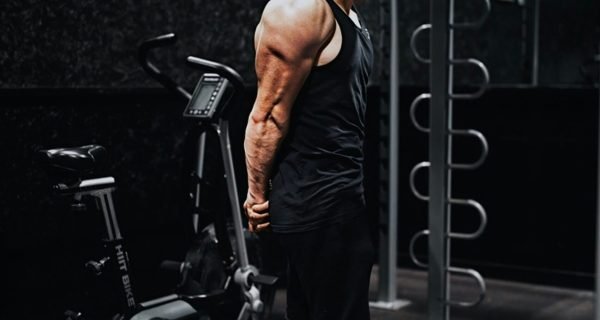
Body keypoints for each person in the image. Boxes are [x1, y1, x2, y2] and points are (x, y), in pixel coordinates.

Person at [243, 0, 374, 319]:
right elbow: (268, 116)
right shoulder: (299, 9)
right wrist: (257, 195)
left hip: (340, 199)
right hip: (315, 202)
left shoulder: (349, 13)